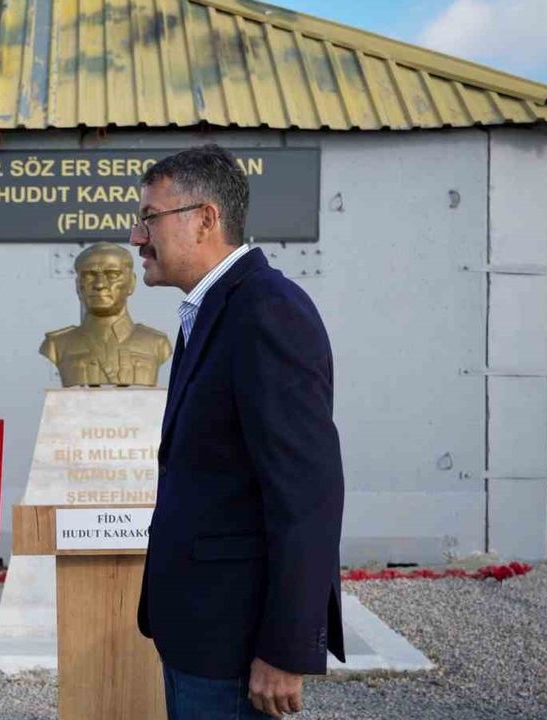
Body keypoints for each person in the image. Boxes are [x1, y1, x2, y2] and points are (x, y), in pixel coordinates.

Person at [129, 146, 345, 719]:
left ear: (205, 220)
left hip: (237, 649)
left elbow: (308, 495)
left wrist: (285, 648)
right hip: (198, 633)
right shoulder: (209, 313)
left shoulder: (267, 311)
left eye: (149, 217)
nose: (135, 237)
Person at [40, 241, 172, 387]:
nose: (100, 284)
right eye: (89, 275)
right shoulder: (56, 344)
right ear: (78, 285)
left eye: (112, 275)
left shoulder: (157, 343)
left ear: (131, 283)